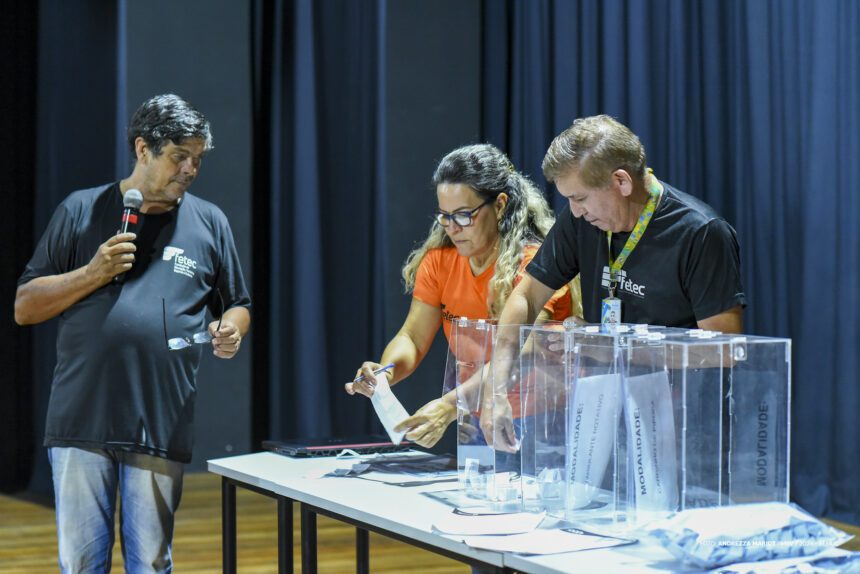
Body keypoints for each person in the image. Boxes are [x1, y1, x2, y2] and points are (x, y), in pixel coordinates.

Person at [14, 94, 251, 574]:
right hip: (81, 417)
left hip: (159, 419)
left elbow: (238, 303)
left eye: (198, 159)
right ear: (143, 148)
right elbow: (25, 306)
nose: (190, 168)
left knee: (150, 561)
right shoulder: (82, 209)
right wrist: (93, 272)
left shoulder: (210, 222)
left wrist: (231, 328)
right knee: (80, 564)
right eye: (179, 156)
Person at [483, 114, 746, 451]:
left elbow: (724, 349)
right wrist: (495, 390)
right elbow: (528, 297)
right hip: (605, 412)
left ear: (622, 181)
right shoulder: (583, 222)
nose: (574, 211)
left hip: (683, 423)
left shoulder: (701, 232)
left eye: (579, 198)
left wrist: (606, 346)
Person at [345, 144, 579, 448]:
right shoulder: (439, 261)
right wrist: (386, 373)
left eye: (464, 215)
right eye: (444, 216)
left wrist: (450, 405)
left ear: (499, 206)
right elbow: (413, 339)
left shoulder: (537, 266)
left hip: (545, 422)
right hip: (476, 415)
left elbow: (525, 354)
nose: (453, 228)